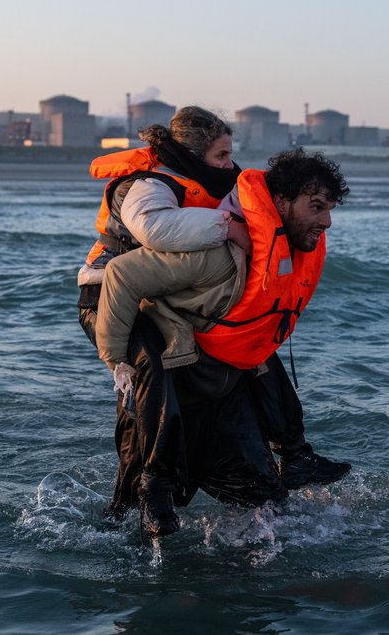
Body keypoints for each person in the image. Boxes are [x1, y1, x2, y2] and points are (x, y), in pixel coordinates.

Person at [95, 148, 350, 527]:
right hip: (170, 399)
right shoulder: (216, 250)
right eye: (315, 208)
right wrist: (117, 362)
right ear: (280, 202)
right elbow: (121, 276)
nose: (326, 221)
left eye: (329, 210)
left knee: (271, 508)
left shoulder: (281, 254)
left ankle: (294, 459)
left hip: (223, 390)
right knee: (127, 521)